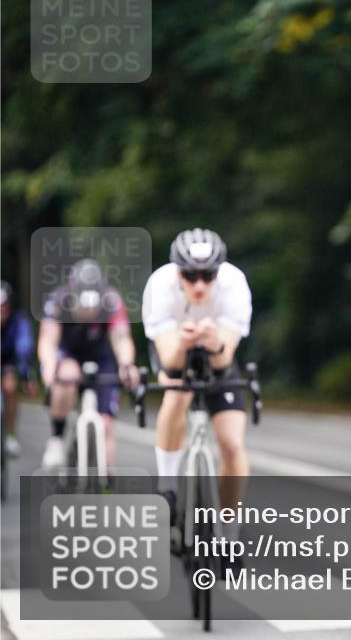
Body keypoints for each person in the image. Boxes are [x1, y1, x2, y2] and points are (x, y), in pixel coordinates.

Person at [141, 228, 252, 545]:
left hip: (218, 350)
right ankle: (169, 488)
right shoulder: (160, 286)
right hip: (174, 348)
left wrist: (214, 341)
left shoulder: (234, 284)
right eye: (191, 276)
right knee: (176, 394)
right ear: (178, 273)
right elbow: (170, 361)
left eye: (208, 275)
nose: (200, 284)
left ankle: (229, 533)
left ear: (219, 272)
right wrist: (184, 341)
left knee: (231, 443)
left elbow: (224, 358)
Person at [37, 259, 139, 468]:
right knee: (67, 374)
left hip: (102, 356)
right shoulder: (59, 301)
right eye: (84, 304)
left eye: (93, 304)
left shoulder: (112, 301)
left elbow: (121, 339)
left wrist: (127, 365)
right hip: (69, 353)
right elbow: (48, 339)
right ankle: (56, 437)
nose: (89, 311)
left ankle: (106, 484)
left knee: (107, 425)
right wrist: (49, 365)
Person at [1, 280, 36, 457]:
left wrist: (26, 375)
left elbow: (24, 347)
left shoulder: (18, 320)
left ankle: (10, 432)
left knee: (9, 386)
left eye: (4, 307)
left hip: (8, 361)